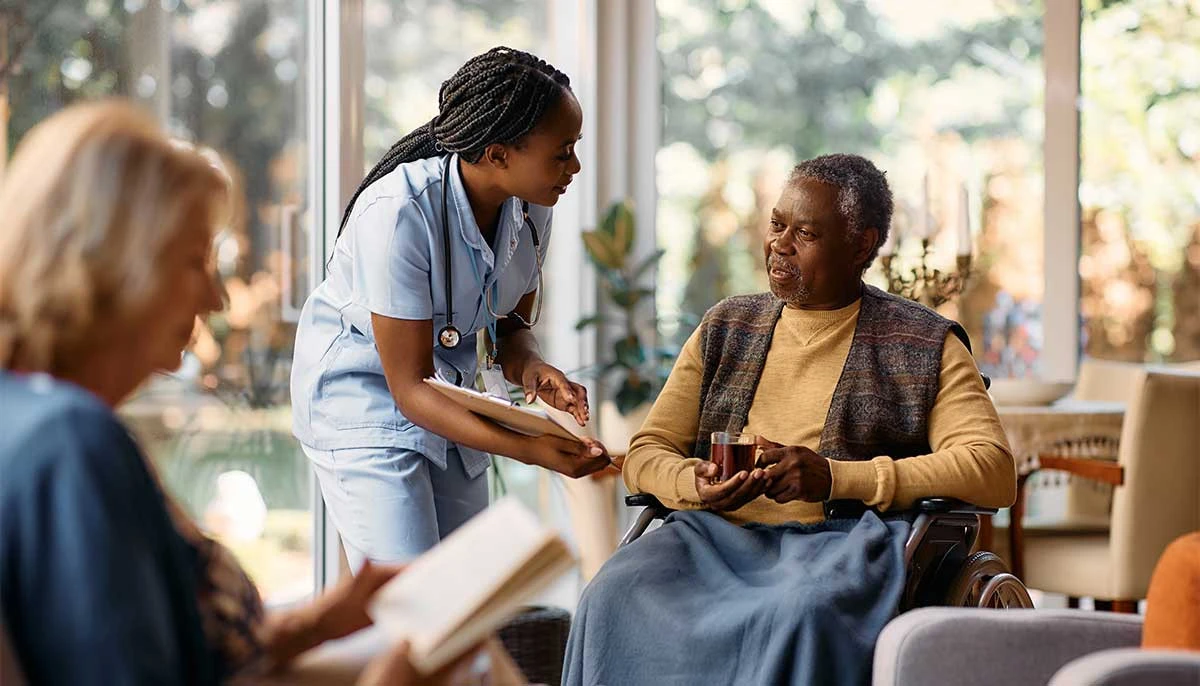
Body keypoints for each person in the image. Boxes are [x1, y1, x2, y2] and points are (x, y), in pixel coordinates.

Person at [0, 100, 479, 685]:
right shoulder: (69, 445)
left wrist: (314, 623)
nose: (217, 299)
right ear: (108, 267)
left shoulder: (30, 417)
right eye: (195, 260)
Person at [563, 154, 1017, 685]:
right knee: (611, 593)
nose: (780, 244)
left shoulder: (923, 341)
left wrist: (837, 477)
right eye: (777, 225)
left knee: (801, 612)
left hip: (843, 546)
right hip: (711, 536)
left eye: (805, 233)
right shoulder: (726, 326)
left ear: (862, 245)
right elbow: (647, 453)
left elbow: (991, 468)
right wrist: (694, 482)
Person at [290, 46, 610, 569]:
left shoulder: (531, 206)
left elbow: (507, 322)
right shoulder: (399, 214)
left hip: (447, 398)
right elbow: (408, 386)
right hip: (367, 402)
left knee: (464, 604)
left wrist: (531, 365)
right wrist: (531, 449)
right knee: (416, 606)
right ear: (498, 153)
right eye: (561, 151)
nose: (574, 166)